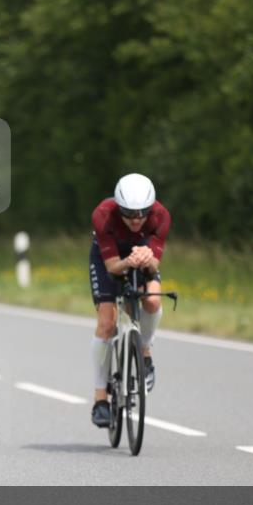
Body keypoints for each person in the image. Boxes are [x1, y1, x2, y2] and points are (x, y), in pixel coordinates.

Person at [89, 173, 171, 427]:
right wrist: (128, 262)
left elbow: (155, 263)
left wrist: (147, 259)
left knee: (153, 301)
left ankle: (145, 353)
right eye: (128, 214)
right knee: (106, 322)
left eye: (141, 213)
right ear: (118, 207)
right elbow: (113, 267)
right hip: (110, 259)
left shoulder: (161, 216)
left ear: (150, 208)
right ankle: (100, 399)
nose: (136, 220)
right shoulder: (103, 214)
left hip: (141, 253)